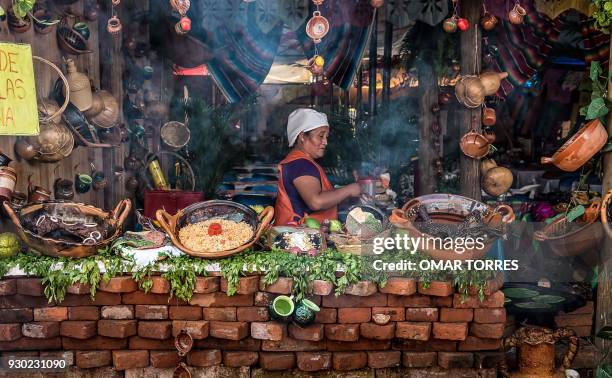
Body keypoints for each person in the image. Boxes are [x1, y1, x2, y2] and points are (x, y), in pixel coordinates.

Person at [274, 108, 361, 225]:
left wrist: (346, 198)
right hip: (297, 237)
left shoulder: (302, 161)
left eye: (326, 136)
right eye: (321, 136)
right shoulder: (300, 164)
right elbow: (316, 201)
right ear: (302, 136)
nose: (325, 142)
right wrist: (349, 189)